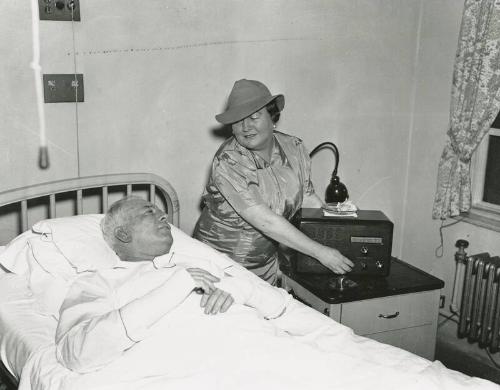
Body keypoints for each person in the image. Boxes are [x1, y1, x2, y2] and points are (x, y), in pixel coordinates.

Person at [55, 197, 289, 373]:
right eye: (149, 212)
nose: (164, 216)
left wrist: (239, 290)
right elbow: (76, 352)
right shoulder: (101, 282)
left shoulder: (197, 262)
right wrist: (176, 287)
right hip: (199, 367)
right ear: (123, 234)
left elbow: (278, 306)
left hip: (260, 350)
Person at [193, 79, 353, 285]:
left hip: (265, 263)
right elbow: (265, 221)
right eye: (238, 120)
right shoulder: (229, 161)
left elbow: (308, 198)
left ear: (272, 117)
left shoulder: (294, 148)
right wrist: (321, 252)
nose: (245, 127)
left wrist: (341, 235)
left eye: (254, 117)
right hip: (220, 265)